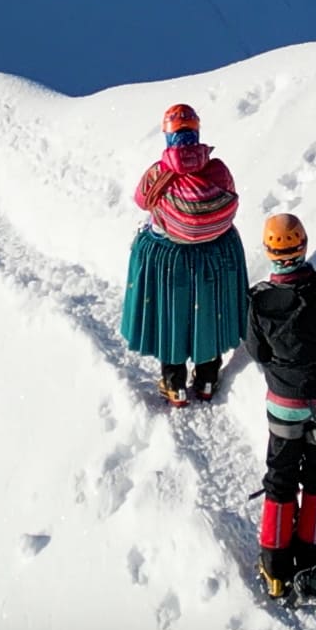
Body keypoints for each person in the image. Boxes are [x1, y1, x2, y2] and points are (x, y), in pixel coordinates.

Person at [245, 211, 316, 599]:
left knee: (279, 477)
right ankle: (311, 558)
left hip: (284, 402)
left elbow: (258, 351)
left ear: (268, 251)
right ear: (304, 244)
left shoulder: (258, 301)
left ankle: (275, 567)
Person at [119, 103, 246, 405]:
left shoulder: (160, 173)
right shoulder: (217, 168)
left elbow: (141, 200)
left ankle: (174, 384)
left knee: (171, 316)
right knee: (208, 313)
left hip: (170, 256)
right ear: (197, 133)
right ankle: (207, 380)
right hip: (214, 254)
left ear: (168, 136)